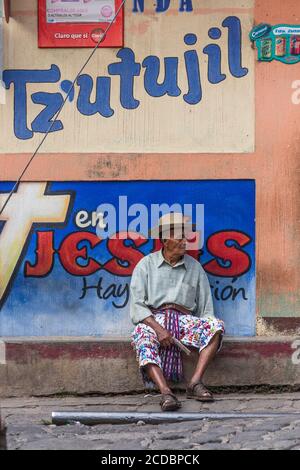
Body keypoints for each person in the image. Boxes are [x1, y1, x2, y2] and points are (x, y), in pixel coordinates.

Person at [130, 212, 225, 411]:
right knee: (141, 334)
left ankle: (195, 383)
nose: (185, 242)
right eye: (179, 237)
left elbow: (206, 309)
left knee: (215, 326)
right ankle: (165, 392)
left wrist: (202, 327)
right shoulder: (145, 265)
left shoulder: (195, 268)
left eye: (185, 237)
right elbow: (138, 306)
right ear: (165, 239)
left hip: (184, 320)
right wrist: (159, 329)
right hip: (154, 319)